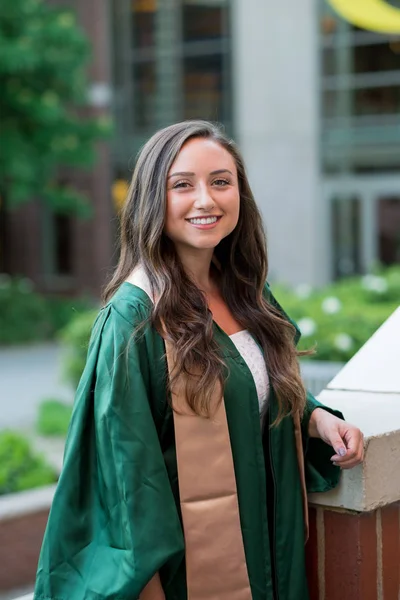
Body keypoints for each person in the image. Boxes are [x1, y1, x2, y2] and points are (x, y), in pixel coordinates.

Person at [34, 120, 364, 600]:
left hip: (271, 551)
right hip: (189, 571)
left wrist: (315, 419)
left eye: (221, 182)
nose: (206, 200)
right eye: (182, 185)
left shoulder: (247, 292)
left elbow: (252, 385)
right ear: (153, 199)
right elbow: (122, 477)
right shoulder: (133, 318)